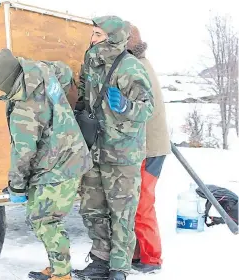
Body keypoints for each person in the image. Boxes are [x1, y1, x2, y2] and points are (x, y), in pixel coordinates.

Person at [0, 48, 93, 280]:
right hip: (71, 153)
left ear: (5, 82)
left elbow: (23, 152)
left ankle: (62, 274)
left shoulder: (25, 107)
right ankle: (57, 267)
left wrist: (16, 187)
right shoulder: (42, 70)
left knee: (45, 220)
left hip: (57, 166)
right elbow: (64, 72)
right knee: (44, 217)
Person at [72, 16, 154, 280]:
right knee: (92, 208)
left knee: (122, 213)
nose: (92, 38)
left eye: (97, 34)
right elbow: (84, 98)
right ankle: (100, 259)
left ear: (113, 36)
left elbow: (147, 109)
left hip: (122, 153)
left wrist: (126, 107)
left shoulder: (130, 67)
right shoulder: (91, 62)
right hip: (95, 149)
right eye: (93, 33)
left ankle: (119, 267)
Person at [127, 24, 171, 274]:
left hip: (149, 148)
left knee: (142, 204)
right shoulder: (141, 62)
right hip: (149, 146)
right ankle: (138, 252)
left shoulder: (136, 68)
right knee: (136, 203)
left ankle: (152, 258)